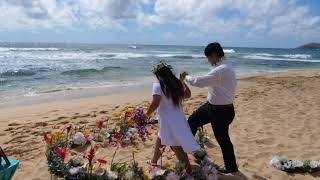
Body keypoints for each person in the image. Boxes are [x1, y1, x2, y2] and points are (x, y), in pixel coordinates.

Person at [180, 42, 238, 173]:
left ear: (213, 55)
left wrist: (185, 77)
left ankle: (231, 167)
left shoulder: (220, 70)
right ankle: (190, 148)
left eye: (208, 57)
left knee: (223, 140)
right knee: (192, 121)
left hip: (219, 112)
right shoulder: (227, 66)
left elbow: (199, 82)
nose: (208, 60)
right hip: (214, 107)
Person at [145, 61, 200, 173]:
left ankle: (188, 170)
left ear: (158, 75)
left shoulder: (158, 85)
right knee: (161, 139)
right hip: (178, 118)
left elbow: (155, 103)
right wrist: (182, 82)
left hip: (167, 120)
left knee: (176, 145)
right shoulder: (177, 84)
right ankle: (154, 162)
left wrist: (146, 115)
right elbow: (188, 95)